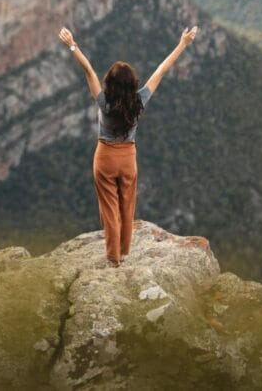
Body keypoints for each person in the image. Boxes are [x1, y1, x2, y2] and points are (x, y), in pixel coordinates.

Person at [58, 25, 198, 267]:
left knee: (110, 208)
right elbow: (162, 70)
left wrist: (72, 44)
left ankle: (113, 257)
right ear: (133, 83)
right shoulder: (140, 101)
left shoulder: (104, 102)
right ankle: (124, 251)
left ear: (110, 84)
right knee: (127, 204)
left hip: (105, 157)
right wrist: (182, 44)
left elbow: (88, 71)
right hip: (128, 158)